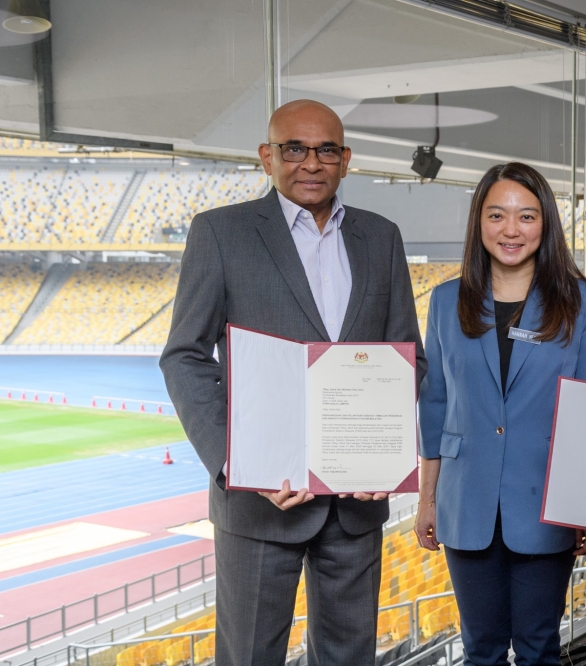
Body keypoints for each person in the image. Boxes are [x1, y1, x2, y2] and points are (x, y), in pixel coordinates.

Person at [160, 99, 426, 666]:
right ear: (267, 157)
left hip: (355, 506)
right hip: (259, 502)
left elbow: (408, 360)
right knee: (251, 656)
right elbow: (184, 356)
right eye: (294, 149)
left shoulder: (382, 237)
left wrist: (383, 455)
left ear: (345, 159)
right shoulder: (221, 233)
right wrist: (237, 463)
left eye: (326, 149)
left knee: (349, 657)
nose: (311, 162)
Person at [415, 162, 586, 666]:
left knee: (538, 648)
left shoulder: (580, 302)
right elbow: (435, 404)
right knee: (480, 649)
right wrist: (426, 500)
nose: (511, 229)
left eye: (526, 216)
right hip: (466, 502)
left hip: (546, 501)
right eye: (497, 214)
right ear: (479, 222)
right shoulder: (445, 301)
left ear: (545, 223)